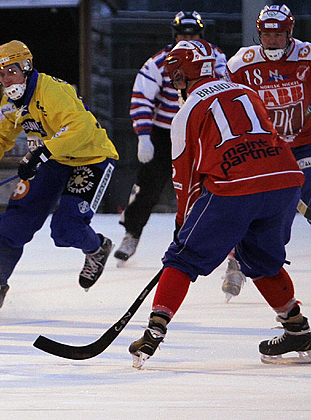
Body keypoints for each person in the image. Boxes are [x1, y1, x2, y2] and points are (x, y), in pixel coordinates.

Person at [128, 38, 309, 368]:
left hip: (235, 187)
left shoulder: (185, 113)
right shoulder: (247, 92)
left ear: (190, 73)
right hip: (286, 179)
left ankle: (154, 332)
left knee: (182, 258)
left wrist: (183, 225)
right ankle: (296, 328)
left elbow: (185, 181)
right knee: (262, 259)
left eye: (179, 77)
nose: (178, 85)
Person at [0, 41, 119, 318]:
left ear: (26, 68)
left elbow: (80, 128)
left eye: (11, 71)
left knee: (66, 229)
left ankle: (97, 248)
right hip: (53, 159)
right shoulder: (11, 100)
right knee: (14, 223)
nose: (7, 79)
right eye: (1, 74)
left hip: (91, 158)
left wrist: (42, 152)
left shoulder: (52, 91)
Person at [114, 11, 228, 264]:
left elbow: (226, 90)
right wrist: (144, 136)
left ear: (201, 35)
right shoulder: (158, 62)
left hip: (203, 130)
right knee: (148, 186)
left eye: (193, 34)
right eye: (182, 35)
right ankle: (132, 233)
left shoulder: (217, 58)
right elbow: (141, 96)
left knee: (212, 184)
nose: (187, 39)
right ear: (174, 35)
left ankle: (219, 242)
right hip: (166, 131)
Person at [224, 5, 311, 299]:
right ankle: (238, 256)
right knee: (262, 209)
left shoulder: (308, 56)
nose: (273, 41)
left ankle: (253, 256)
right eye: (267, 34)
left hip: (304, 144)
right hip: (265, 148)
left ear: (290, 33)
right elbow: (228, 102)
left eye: (279, 34)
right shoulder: (241, 64)